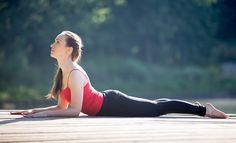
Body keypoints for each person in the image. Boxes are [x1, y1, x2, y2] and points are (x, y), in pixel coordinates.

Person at [11, 31, 228, 119]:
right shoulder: (63, 72)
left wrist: (42, 115)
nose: (52, 44)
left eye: (57, 42)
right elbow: (62, 108)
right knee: (156, 104)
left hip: (114, 103)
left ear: (68, 49)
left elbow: (75, 111)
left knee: (157, 109)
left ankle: (203, 110)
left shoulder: (75, 74)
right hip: (109, 103)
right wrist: (34, 110)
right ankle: (197, 107)